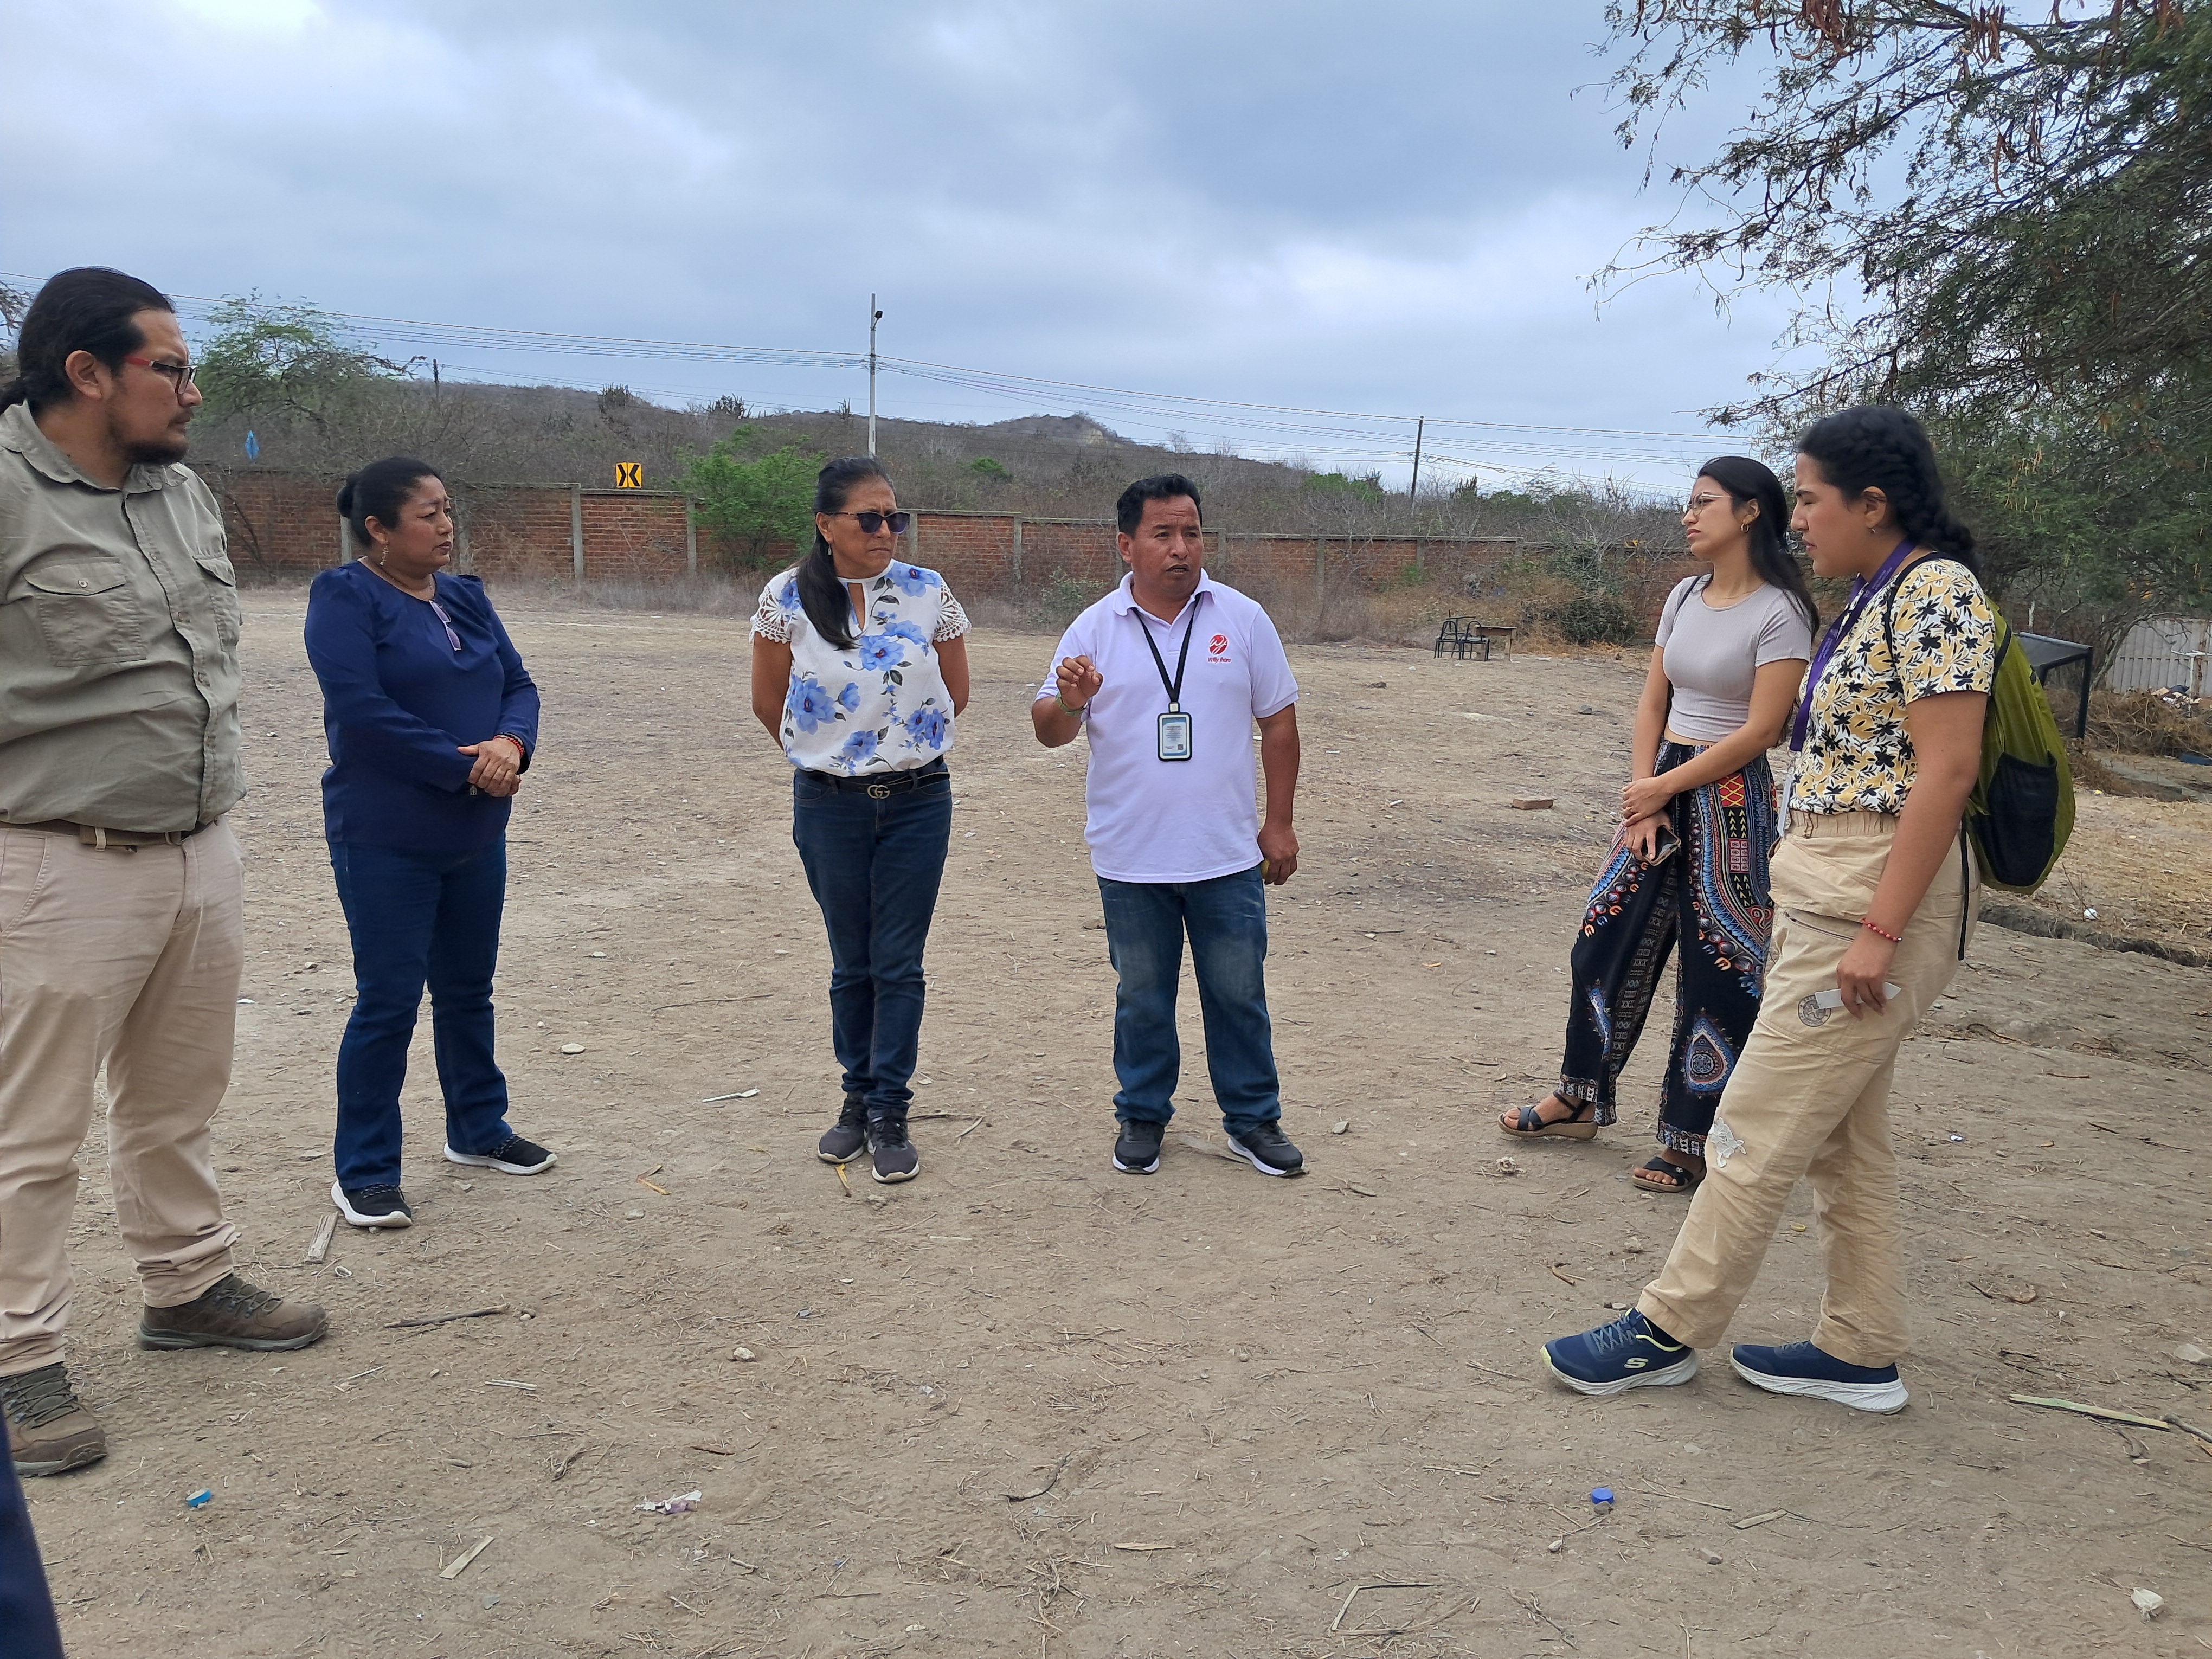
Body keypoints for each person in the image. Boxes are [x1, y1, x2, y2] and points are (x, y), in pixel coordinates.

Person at [1542, 407, 1994, 1414]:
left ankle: (1666, 1329)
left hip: (1871, 897)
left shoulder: (1936, 594)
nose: (1800, 521)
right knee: (1843, 1141)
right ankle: (1861, 1350)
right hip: (1827, 885)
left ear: (1872, 504)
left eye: (1813, 499)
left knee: (1749, 1122)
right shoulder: (1879, 593)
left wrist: (1880, 932)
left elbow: (1948, 770)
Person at [0, 267, 326, 1478]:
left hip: (198, 847)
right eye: (172, 369)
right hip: (52, 860)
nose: (193, 393)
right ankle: (17, 1359)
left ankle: (186, 1286)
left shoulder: (179, 492)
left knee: (178, 1096)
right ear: (86, 373)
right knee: (30, 1134)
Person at [1503, 458, 1815, 1194]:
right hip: (1663, 777)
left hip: (1730, 796)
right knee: (1602, 938)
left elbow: (1763, 730)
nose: (1688, 515)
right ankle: (1580, 1096)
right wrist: (1644, 794)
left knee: (1721, 966)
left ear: (1750, 512)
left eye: (1704, 502)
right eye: (1689, 502)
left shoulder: (1783, 611)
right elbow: (1653, 701)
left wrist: (1663, 789)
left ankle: (1692, 1137)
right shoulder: (1683, 596)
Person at [1033, 474, 1306, 1179]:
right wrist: (1070, 702)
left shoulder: (1243, 619)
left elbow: (1279, 724)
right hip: (1131, 856)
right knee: (1143, 998)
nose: (1182, 548)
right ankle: (1143, 1115)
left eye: (1192, 532)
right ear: (1127, 546)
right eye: (1163, 534)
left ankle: (1253, 1119)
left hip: (1227, 854)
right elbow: (1049, 730)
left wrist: (1279, 823)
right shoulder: (1095, 628)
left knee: (1239, 995)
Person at [304, 458, 550, 1230]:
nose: (446, 526)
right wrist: (466, 765)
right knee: (388, 1002)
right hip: (387, 834)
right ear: (378, 529)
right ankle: (366, 1169)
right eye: (428, 514)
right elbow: (362, 711)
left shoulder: (466, 596)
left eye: (448, 509)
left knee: (469, 990)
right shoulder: (345, 597)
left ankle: (477, 1128)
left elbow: (518, 684)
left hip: (475, 830)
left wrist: (511, 743)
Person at [750, 458, 969, 1184]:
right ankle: (856, 1098)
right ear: (826, 524)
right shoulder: (786, 597)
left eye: (894, 517)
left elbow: (954, 693)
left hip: (919, 801)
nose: (886, 531)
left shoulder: (927, 591)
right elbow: (769, 702)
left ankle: (889, 1110)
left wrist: (894, 746)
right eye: (869, 518)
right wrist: (833, 755)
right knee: (852, 962)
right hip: (828, 806)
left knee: (898, 962)